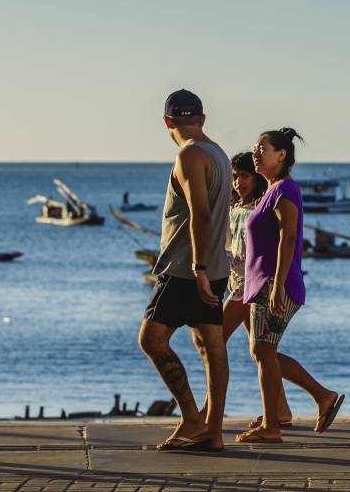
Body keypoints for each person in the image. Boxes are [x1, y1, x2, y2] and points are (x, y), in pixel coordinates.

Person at [220, 151, 342, 433]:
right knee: (263, 353)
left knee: (216, 342)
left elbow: (284, 240)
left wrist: (276, 284)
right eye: (235, 176)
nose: (239, 182)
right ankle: (290, 406)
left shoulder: (262, 207)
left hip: (251, 286)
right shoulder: (236, 207)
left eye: (245, 176)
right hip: (243, 285)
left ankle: (208, 412)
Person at [137, 89, 231, 452]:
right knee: (211, 343)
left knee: (151, 339)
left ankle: (193, 418)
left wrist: (199, 267)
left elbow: (201, 212)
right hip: (213, 266)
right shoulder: (218, 153)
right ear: (203, 119)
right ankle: (213, 431)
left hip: (186, 269)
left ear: (167, 123)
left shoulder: (190, 154)